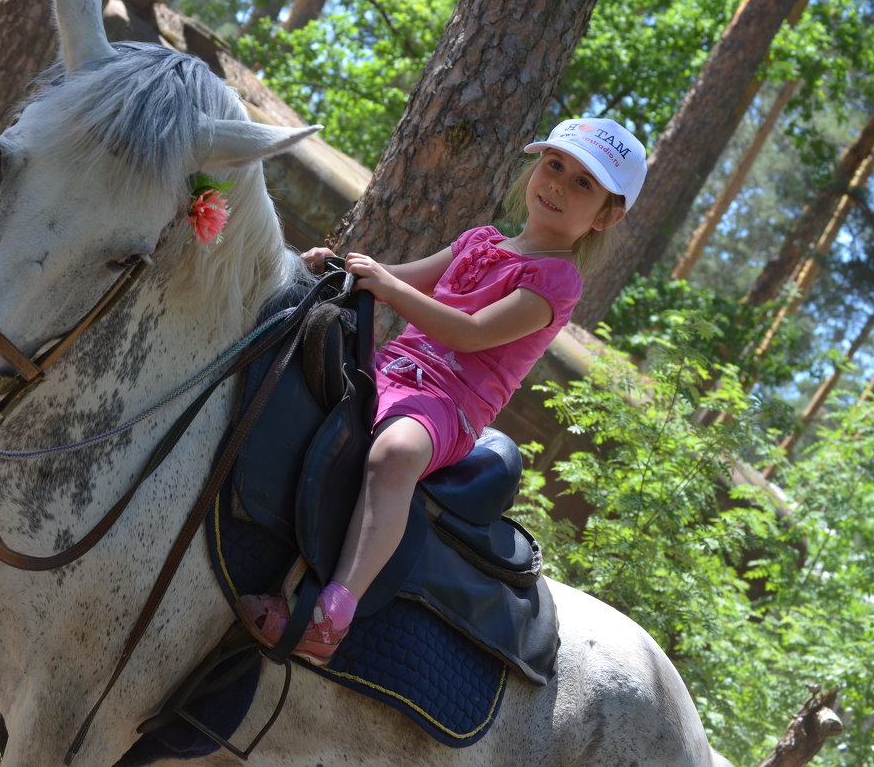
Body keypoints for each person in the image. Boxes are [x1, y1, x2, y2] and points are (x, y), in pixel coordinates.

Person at [237, 117, 647, 666]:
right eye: (554, 165)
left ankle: (331, 614)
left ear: (606, 215)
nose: (556, 185)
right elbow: (400, 275)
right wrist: (345, 270)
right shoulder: (479, 241)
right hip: (389, 369)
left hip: (447, 405)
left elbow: (468, 333)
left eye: (582, 184)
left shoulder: (556, 281)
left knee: (394, 452)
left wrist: (388, 286)